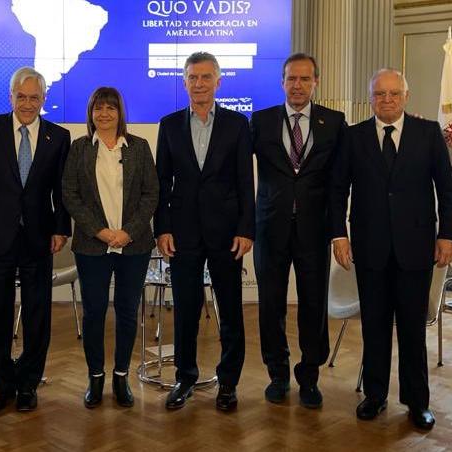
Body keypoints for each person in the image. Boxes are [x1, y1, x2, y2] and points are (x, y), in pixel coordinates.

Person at [330, 68, 452, 430]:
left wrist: (448, 235)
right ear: (370, 98)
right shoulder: (353, 137)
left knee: (412, 331)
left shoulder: (428, 133)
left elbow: (447, 190)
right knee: (374, 328)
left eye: (393, 93)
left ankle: (417, 402)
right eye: (379, 94)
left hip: (416, 249)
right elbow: (337, 191)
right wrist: (338, 235)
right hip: (369, 250)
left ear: (406, 95)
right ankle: (374, 395)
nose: (387, 100)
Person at [0, 66, 72, 413]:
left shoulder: (59, 136)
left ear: (43, 99)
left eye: (34, 97)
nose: (27, 104)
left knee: (38, 311)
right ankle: (2, 381)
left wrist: (61, 228)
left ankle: (28, 382)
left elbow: (61, 190)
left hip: (39, 236)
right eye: (21, 97)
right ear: (10, 97)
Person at [155, 52, 255, 411]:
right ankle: (185, 378)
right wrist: (162, 228)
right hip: (182, 233)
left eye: (206, 77)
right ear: (184, 83)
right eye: (193, 78)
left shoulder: (237, 124)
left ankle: (228, 383)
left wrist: (246, 229)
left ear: (218, 82)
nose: (199, 84)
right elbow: (162, 183)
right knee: (185, 309)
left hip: (227, 232)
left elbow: (246, 182)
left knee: (230, 309)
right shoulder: (168, 125)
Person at [251, 53, 346, 408]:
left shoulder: (334, 123)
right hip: (269, 230)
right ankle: (277, 374)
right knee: (270, 304)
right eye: (291, 78)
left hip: (313, 230)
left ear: (316, 82)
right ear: (282, 82)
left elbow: (339, 184)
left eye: (305, 79)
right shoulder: (260, 121)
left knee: (313, 304)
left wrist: (338, 231)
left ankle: (309, 376)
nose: (298, 85)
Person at [61, 87, 158, 409]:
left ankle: (120, 377)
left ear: (120, 113)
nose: (104, 114)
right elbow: (70, 195)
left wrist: (127, 232)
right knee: (94, 312)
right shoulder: (79, 149)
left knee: (128, 312)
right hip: (92, 245)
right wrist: (101, 232)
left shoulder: (139, 148)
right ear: (90, 113)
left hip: (134, 244)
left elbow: (151, 195)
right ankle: (95, 378)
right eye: (98, 108)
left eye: (110, 108)